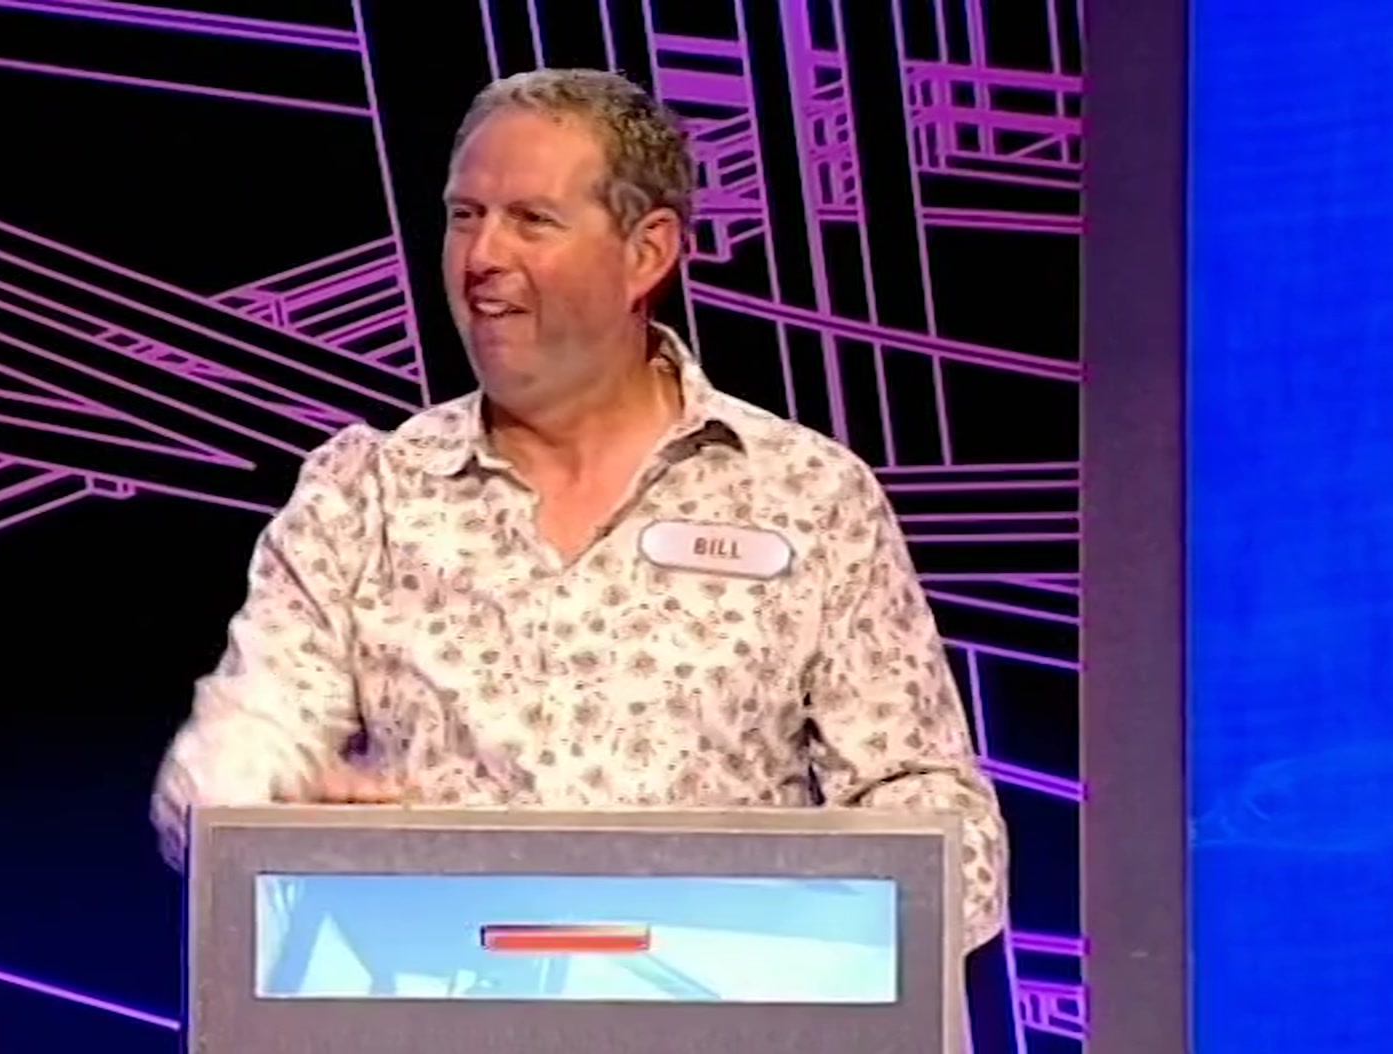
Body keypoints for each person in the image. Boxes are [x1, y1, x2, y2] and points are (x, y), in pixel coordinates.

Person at [150, 68, 1007, 951]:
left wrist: (789, 918)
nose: (481, 257)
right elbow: (232, 760)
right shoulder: (363, 494)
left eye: (531, 219)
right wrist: (267, 803)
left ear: (646, 252)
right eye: (464, 216)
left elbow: (944, 830)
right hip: (425, 1005)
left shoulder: (810, 497)